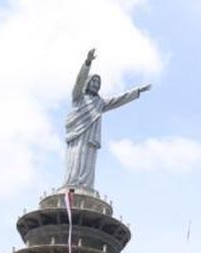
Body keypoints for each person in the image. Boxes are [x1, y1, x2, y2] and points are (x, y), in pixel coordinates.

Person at [63, 48, 151, 190]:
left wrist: (137, 91)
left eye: (98, 83)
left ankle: (85, 186)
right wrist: (87, 62)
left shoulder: (100, 103)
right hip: (77, 135)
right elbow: (79, 81)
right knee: (75, 158)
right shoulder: (78, 97)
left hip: (90, 139)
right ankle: (71, 184)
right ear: (87, 83)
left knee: (88, 161)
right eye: (93, 81)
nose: (96, 84)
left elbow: (119, 100)